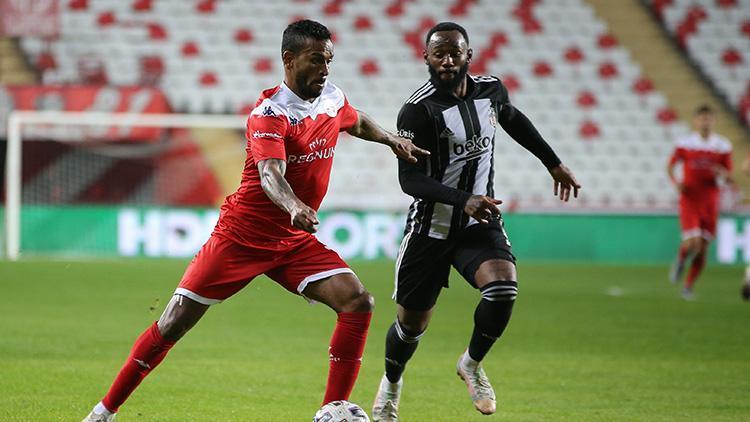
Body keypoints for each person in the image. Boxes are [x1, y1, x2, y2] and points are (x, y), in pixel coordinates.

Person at [82, 19, 427, 422]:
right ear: (289, 59)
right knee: (173, 322)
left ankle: (331, 411)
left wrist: (391, 139)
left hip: (292, 241)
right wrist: (294, 206)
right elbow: (270, 175)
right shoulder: (269, 114)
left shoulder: (331, 98)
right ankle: (104, 412)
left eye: (329, 60)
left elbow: (357, 120)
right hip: (241, 236)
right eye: (317, 60)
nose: (325, 70)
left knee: (358, 302)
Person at [370, 22, 581, 421]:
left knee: (503, 289)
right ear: (426, 58)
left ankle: (470, 364)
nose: (447, 60)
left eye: (454, 52)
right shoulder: (418, 110)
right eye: (439, 53)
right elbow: (409, 179)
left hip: (478, 223)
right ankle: (391, 386)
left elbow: (514, 119)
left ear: (469, 55)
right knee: (411, 327)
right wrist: (462, 198)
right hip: (430, 229)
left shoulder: (491, 90)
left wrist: (553, 163)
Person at [668, 105, 733, 301]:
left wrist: (722, 173)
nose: (706, 122)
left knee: (703, 247)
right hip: (690, 198)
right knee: (693, 242)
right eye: (702, 119)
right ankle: (680, 259)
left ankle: (688, 286)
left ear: (714, 121)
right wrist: (676, 183)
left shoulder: (722, 145)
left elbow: (728, 173)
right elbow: (670, 166)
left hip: (710, 199)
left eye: (709, 119)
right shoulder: (686, 143)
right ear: (696, 121)